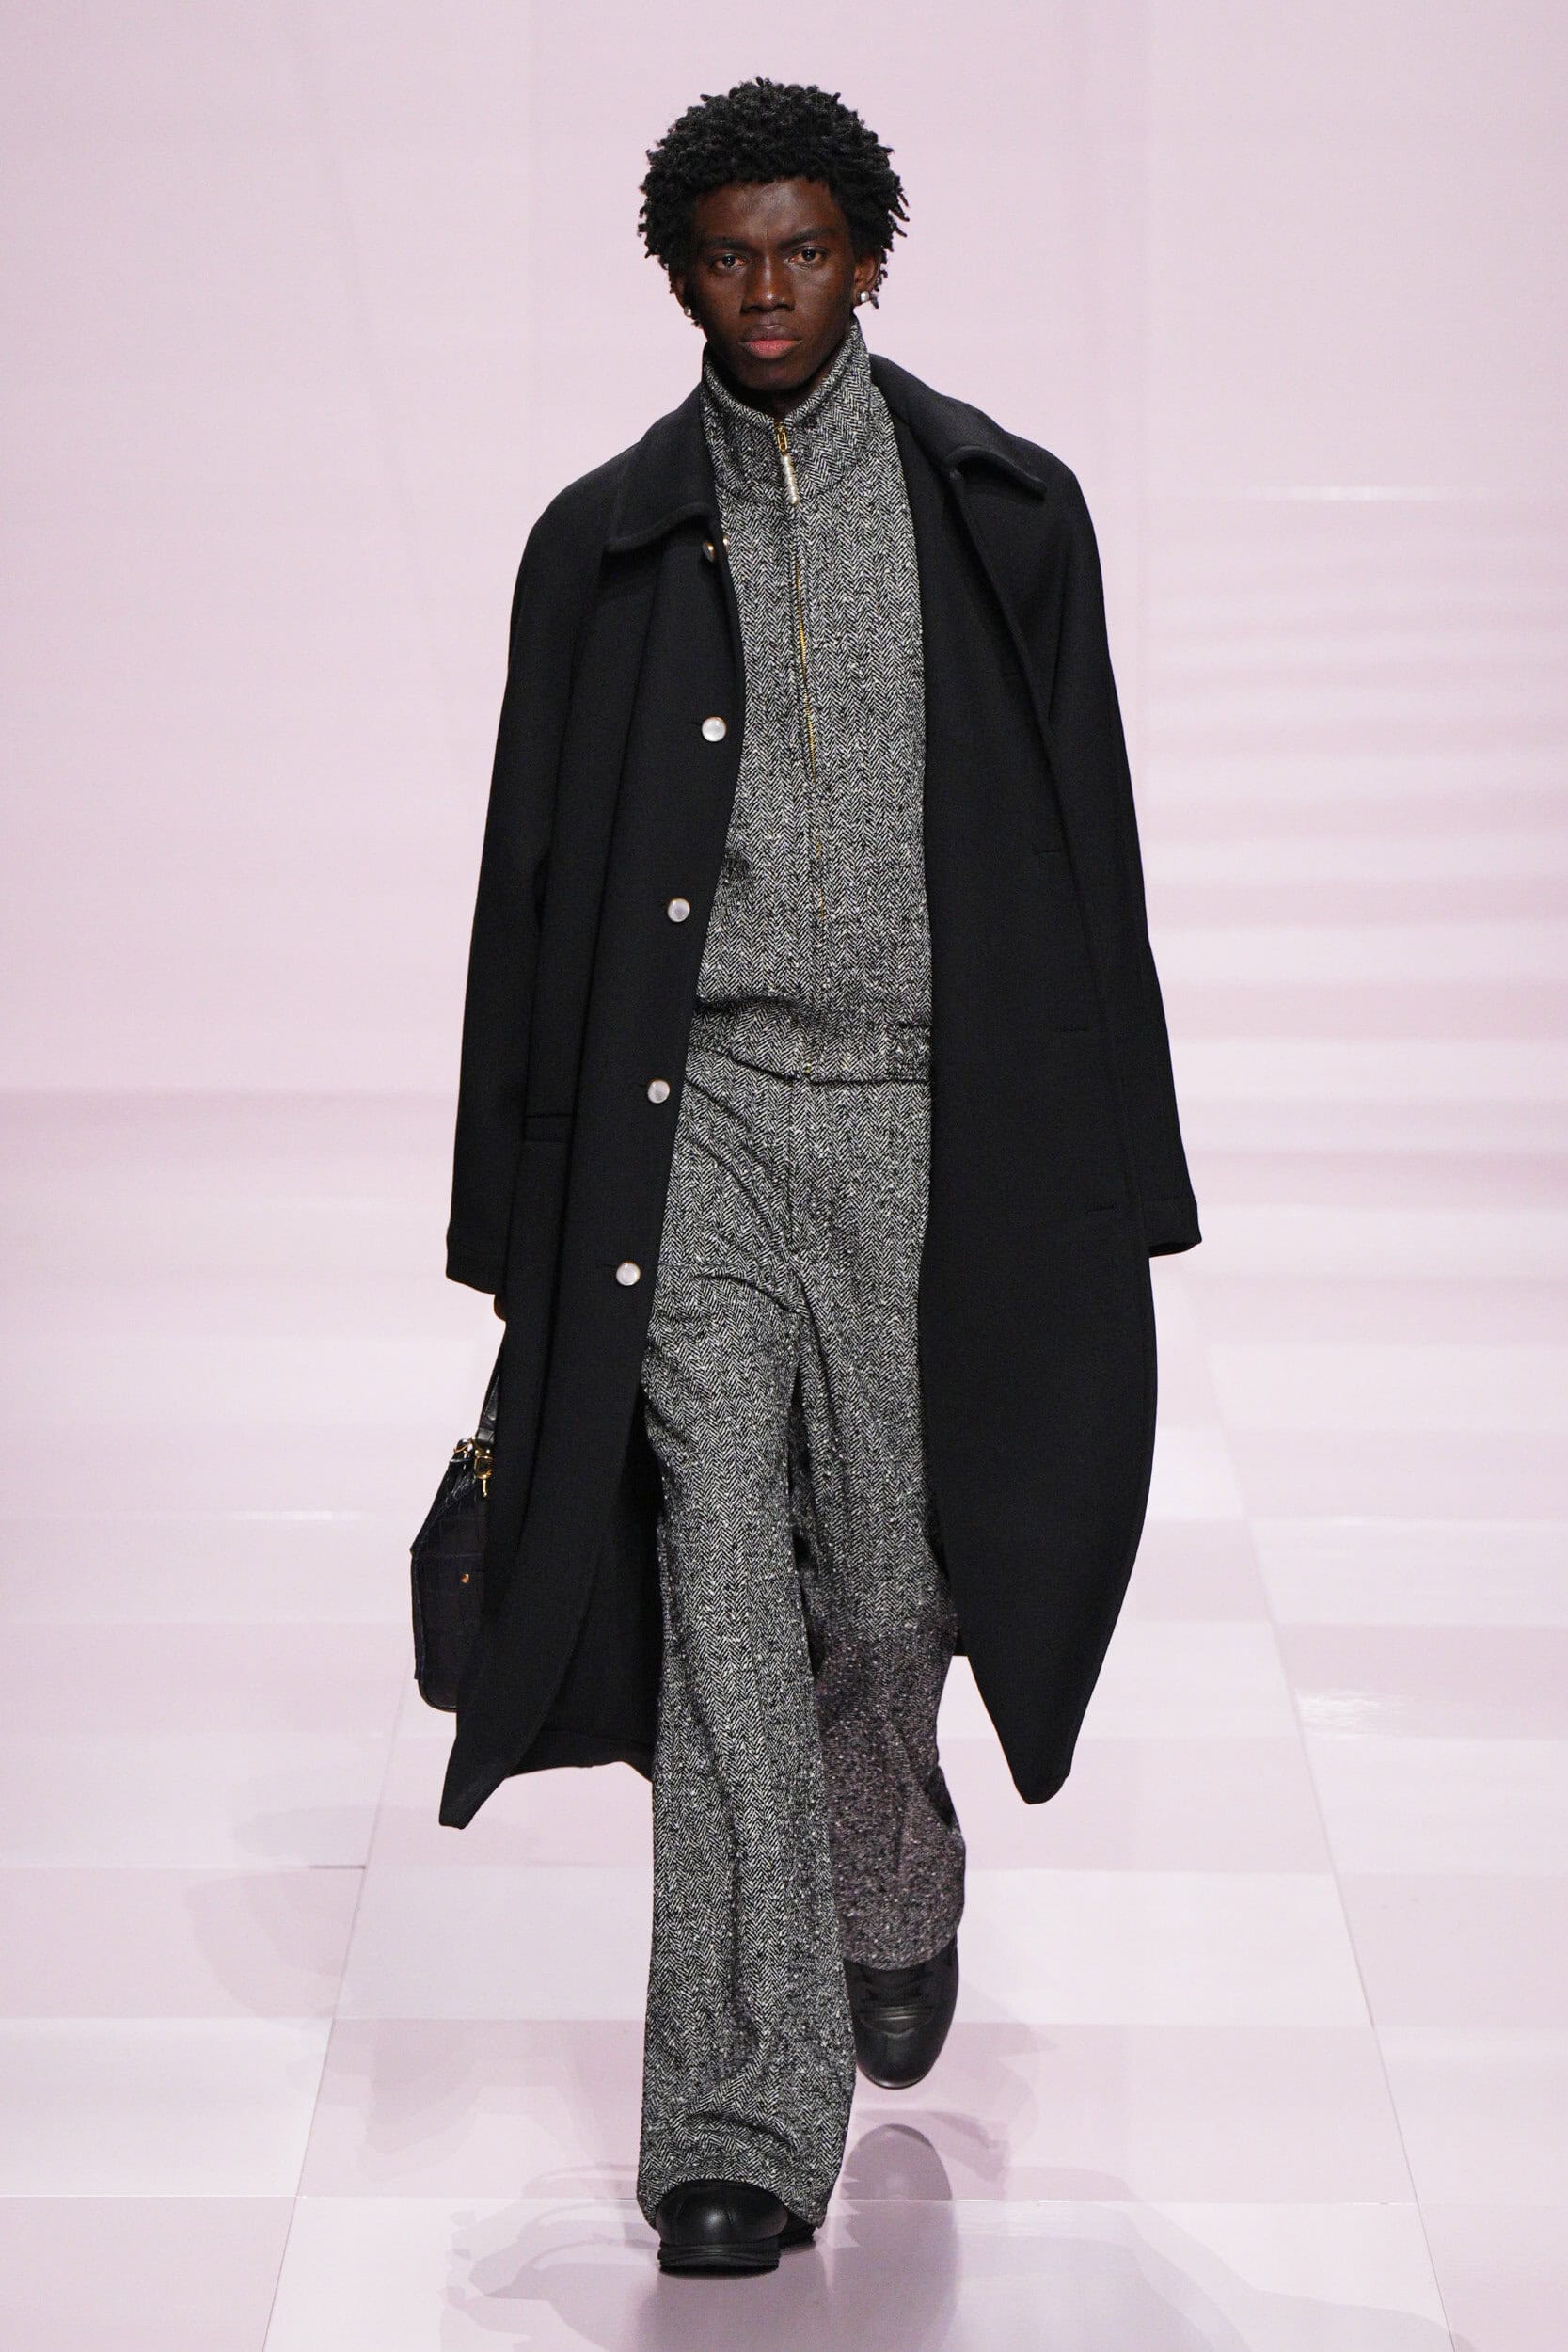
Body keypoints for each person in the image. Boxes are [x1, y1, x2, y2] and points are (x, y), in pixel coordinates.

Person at [439, 76, 1201, 2278]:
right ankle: (738, 2118)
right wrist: (509, 1210)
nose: (766, 289)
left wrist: (1127, 1163)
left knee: (884, 1580)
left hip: (931, 1121)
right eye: (728, 254)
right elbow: (529, 884)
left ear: (867, 255)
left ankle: (893, 1862)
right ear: (678, 274)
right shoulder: (601, 548)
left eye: (802, 248)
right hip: (693, 1128)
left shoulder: (1001, 517)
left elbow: (1087, 845)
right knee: (722, 1603)